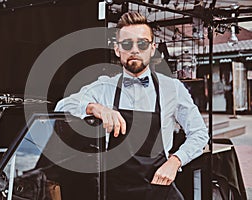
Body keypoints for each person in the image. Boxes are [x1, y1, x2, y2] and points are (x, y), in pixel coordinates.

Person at [55, 11, 209, 200]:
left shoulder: (172, 88)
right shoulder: (105, 87)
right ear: (118, 49)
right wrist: (95, 108)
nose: (134, 50)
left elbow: (200, 133)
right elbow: (62, 106)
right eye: (127, 44)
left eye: (142, 43)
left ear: (152, 49)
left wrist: (176, 161)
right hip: (115, 191)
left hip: (158, 188)